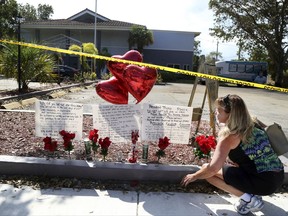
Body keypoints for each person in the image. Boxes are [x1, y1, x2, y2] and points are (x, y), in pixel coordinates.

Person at [181, 94, 284, 215]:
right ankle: (252, 192)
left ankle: (249, 200)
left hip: (264, 183)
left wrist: (195, 176)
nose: (216, 113)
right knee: (235, 166)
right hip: (278, 176)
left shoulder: (229, 137)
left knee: (206, 171)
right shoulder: (254, 122)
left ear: (230, 114)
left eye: (219, 111)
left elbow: (213, 169)